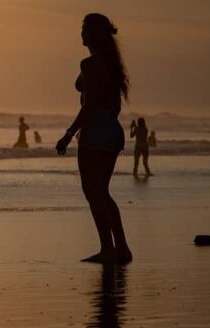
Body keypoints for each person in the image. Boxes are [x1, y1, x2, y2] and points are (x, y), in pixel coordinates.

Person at [56, 14, 132, 264]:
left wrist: (68, 134)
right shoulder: (110, 64)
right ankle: (121, 247)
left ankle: (107, 249)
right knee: (103, 192)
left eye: (84, 29)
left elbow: (88, 105)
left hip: (95, 131)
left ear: (92, 35)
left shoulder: (90, 65)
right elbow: (86, 88)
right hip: (112, 130)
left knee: (92, 191)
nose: (81, 33)